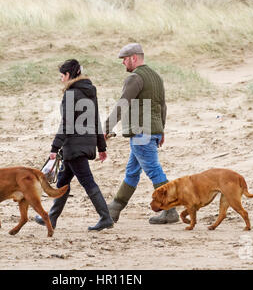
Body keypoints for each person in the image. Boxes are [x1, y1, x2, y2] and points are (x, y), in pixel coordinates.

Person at [104, 43, 179, 224]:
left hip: (140, 133)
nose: (123, 63)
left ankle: (170, 210)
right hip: (152, 131)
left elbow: (123, 103)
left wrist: (106, 128)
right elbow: (162, 106)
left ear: (134, 58)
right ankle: (114, 208)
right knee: (132, 172)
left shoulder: (135, 78)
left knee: (153, 170)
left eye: (124, 59)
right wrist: (161, 130)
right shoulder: (156, 77)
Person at [35, 59, 114, 231]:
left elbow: (67, 124)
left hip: (74, 146)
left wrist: (55, 148)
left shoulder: (71, 94)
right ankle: (51, 218)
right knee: (63, 181)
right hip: (84, 144)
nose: (61, 79)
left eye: (62, 76)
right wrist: (101, 147)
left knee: (87, 181)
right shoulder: (90, 92)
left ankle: (105, 217)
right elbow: (96, 121)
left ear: (69, 75)